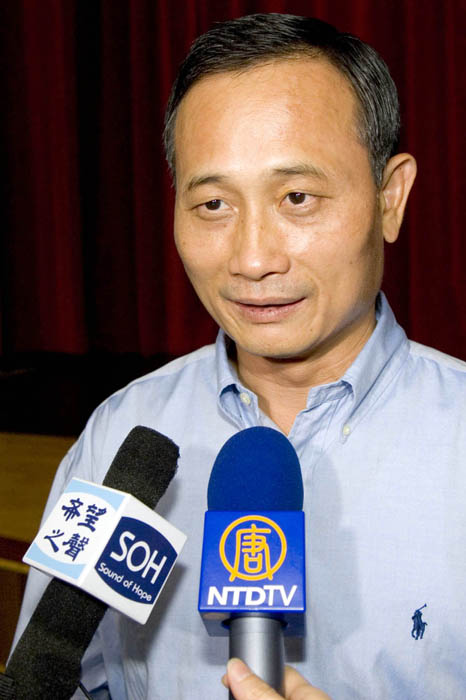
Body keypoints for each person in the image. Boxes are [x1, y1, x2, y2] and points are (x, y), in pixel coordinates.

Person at [11, 13, 466, 700]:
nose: (252, 259)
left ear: (389, 198)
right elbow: (53, 679)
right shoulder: (122, 435)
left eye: (297, 197)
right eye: (214, 204)